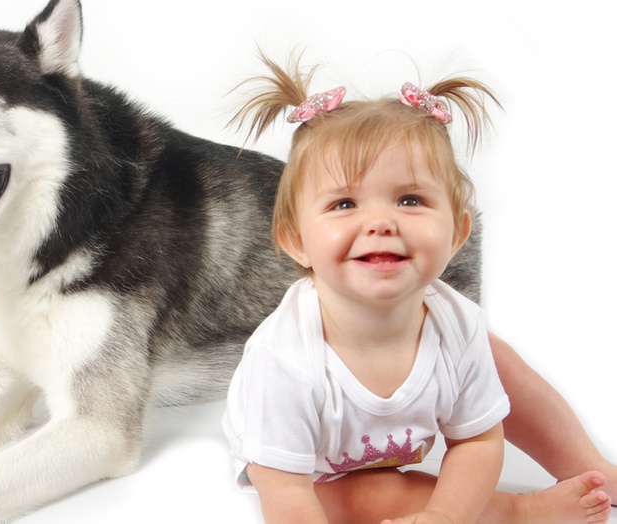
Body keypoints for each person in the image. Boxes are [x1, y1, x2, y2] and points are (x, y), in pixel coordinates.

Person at [222, 54, 613, 524]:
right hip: (302, 471)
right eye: (344, 203)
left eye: (411, 199)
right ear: (295, 241)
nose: (381, 222)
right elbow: (286, 493)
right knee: (379, 493)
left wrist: (446, 514)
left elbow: (478, 442)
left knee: (497, 359)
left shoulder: (457, 325)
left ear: (457, 233)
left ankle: (595, 469)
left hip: (367, 444)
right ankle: (517, 512)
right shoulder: (283, 360)